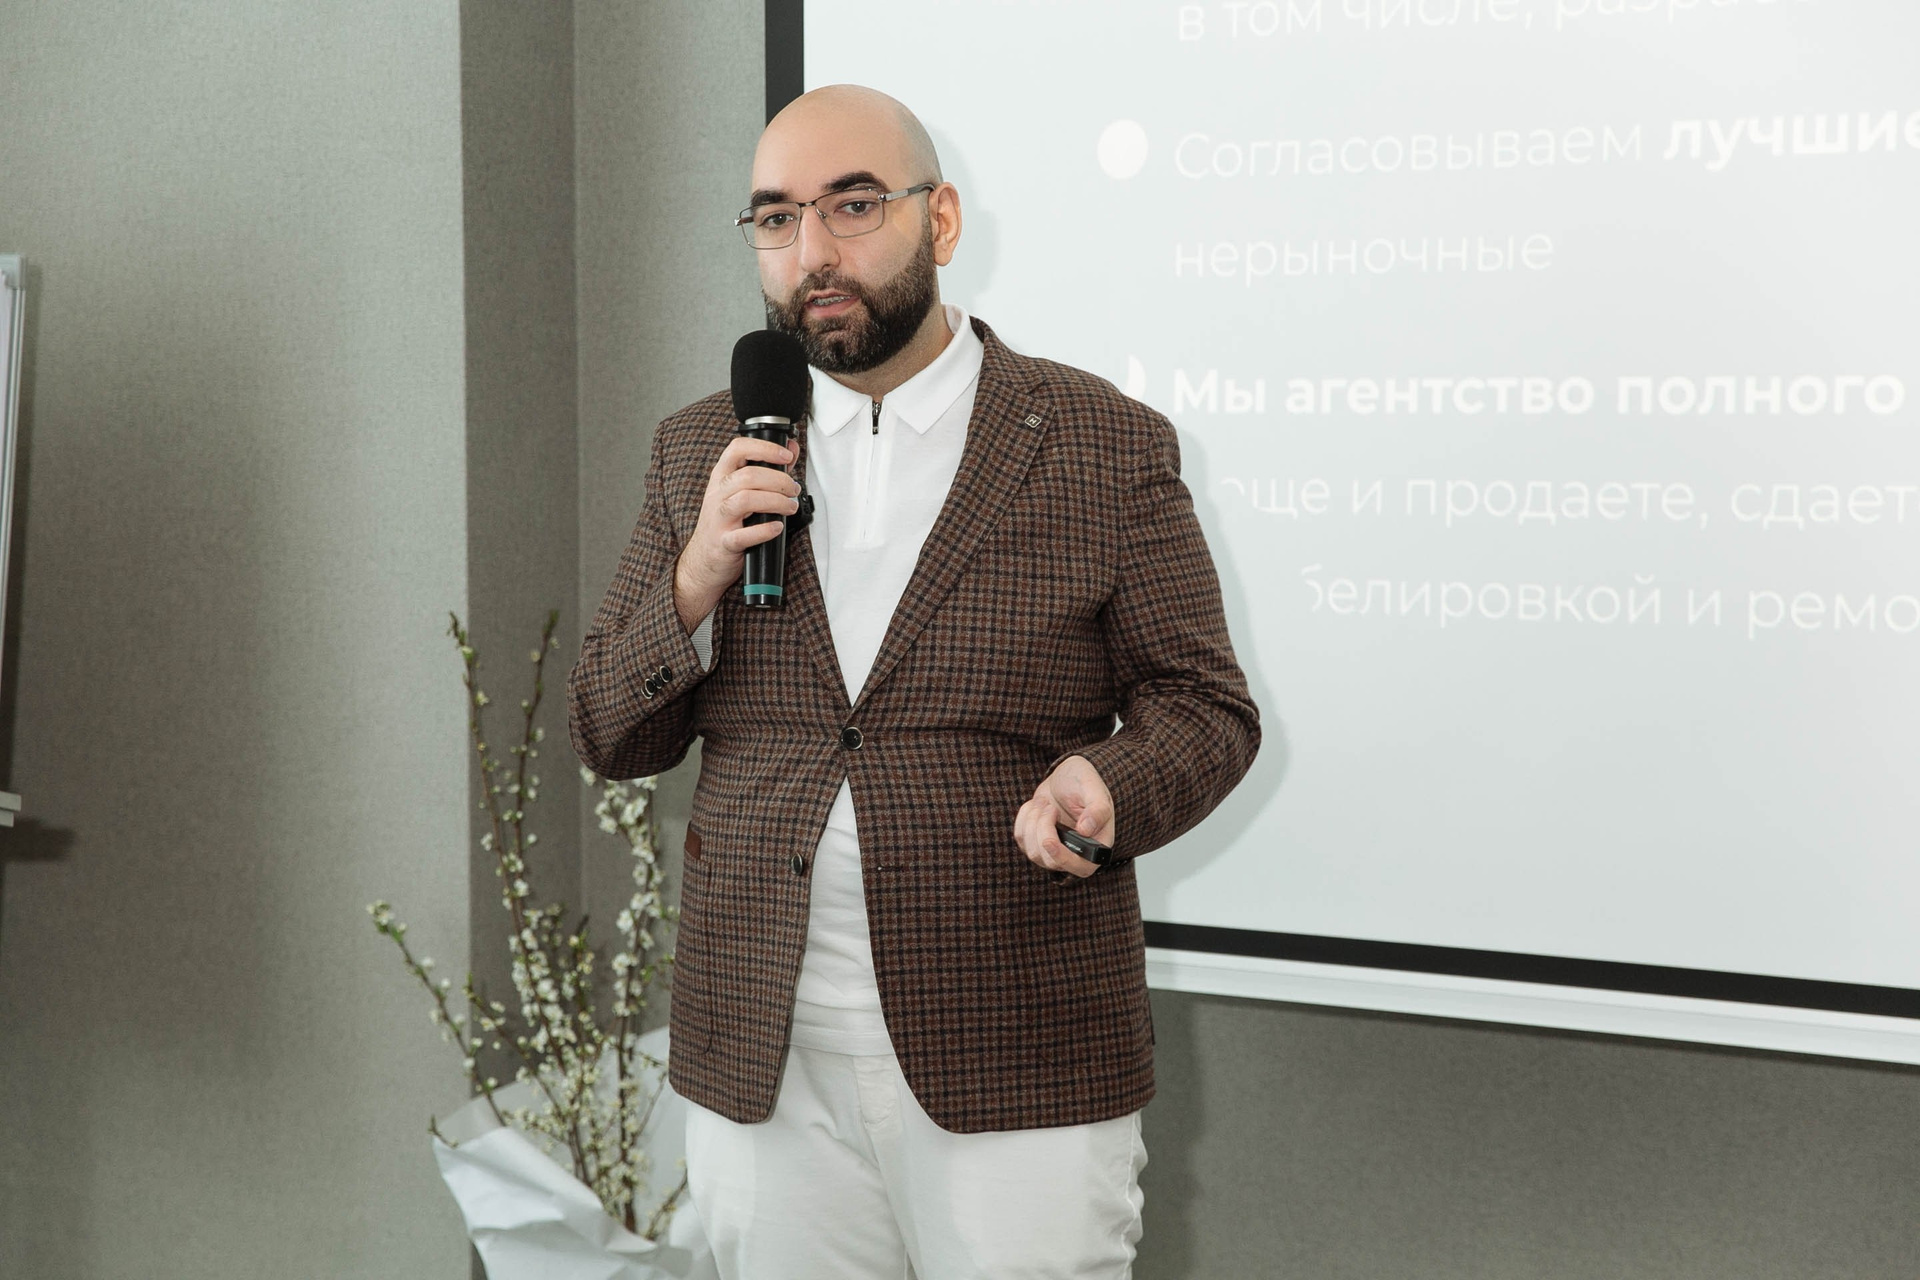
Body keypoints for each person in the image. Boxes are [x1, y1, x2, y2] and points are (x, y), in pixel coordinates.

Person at [568, 84, 1259, 1280]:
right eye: (776, 218)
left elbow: (1205, 707)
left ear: (939, 220)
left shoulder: (1103, 441)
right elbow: (606, 729)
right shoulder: (702, 448)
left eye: (852, 206)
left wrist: (1110, 781)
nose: (812, 253)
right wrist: (694, 574)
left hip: (1017, 1046)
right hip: (762, 1054)